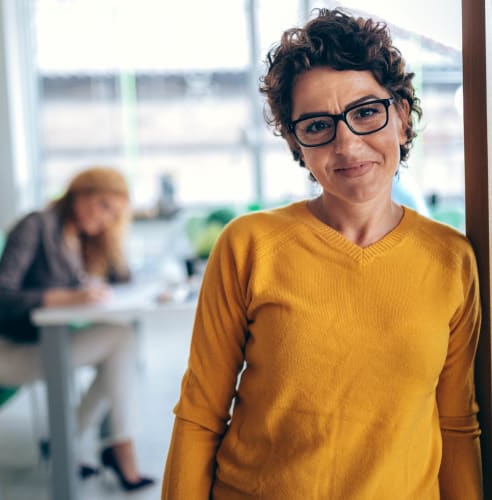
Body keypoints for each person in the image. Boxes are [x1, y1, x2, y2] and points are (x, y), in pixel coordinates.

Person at [161, 8, 482, 500]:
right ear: (297, 143)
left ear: (399, 115)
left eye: (366, 112)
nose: (348, 146)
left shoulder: (451, 260)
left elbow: (457, 424)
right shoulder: (249, 245)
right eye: (317, 125)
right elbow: (200, 414)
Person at [0, 167, 154, 492]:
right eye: (104, 206)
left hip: (46, 344)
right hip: (6, 352)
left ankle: (70, 442)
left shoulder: (76, 236)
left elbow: (121, 278)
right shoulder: (35, 225)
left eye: (115, 214)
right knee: (119, 340)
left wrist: (112, 239)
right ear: (81, 194)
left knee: (119, 342)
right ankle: (113, 447)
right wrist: (66, 297)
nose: (107, 218)